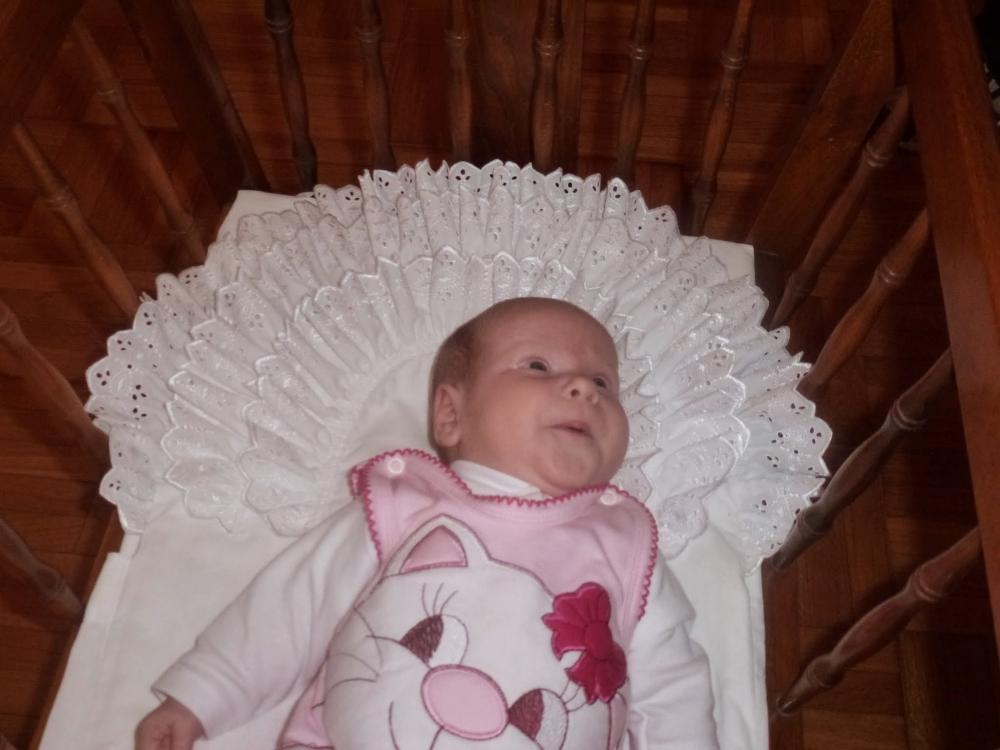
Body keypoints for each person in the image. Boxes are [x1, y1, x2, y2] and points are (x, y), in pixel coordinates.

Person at [135, 297, 719, 749]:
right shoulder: (406, 507)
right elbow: (296, 606)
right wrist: (203, 696)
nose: (583, 389)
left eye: (603, 384)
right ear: (450, 414)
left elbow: (672, 684)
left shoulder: (626, 543)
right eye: (538, 365)